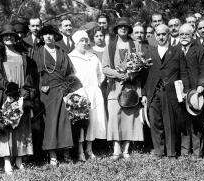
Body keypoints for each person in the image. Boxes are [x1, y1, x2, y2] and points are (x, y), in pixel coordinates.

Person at [0, 24, 36, 174]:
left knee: (21, 125)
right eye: (6, 36)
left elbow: (29, 76)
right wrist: (8, 88)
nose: (9, 38)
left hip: (21, 95)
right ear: (2, 39)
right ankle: (6, 162)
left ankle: (19, 160)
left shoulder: (23, 55)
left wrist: (26, 90)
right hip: (6, 94)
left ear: (16, 38)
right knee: (6, 124)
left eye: (11, 35)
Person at [33, 25, 79, 165]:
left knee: (64, 122)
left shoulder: (62, 52)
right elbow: (35, 74)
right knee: (50, 123)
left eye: (51, 34)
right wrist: (42, 85)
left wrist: (68, 90)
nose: (48, 36)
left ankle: (65, 154)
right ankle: (53, 156)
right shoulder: (38, 52)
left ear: (55, 37)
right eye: (45, 34)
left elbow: (70, 72)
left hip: (63, 90)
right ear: (42, 37)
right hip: (47, 92)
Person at [142, 24, 189, 158]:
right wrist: (144, 94)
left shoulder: (177, 51)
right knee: (155, 121)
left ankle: (171, 152)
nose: (161, 37)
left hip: (170, 92)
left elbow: (184, 73)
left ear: (168, 35)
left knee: (170, 123)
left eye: (164, 34)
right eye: (159, 34)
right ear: (155, 36)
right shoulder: (149, 52)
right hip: (154, 92)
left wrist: (185, 90)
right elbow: (144, 76)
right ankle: (158, 151)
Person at [102, 17, 144, 160]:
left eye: (126, 27)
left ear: (129, 29)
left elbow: (141, 66)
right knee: (114, 117)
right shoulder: (110, 46)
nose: (123, 29)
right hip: (115, 86)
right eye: (120, 27)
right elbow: (105, 68)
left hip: (131, 86)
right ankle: (116, 149)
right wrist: (119, 75)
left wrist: (130, 75)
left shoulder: (136, 45)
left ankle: (126, 149)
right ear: (116, 29)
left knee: (129, 116)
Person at [69, 30, 107, 161]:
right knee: (81, 122)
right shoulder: (71, 58)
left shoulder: (93, 57)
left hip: (94, 93)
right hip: (78, 95)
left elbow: (100, 74)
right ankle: (79, 151)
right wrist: (77, 92)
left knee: (93, 122)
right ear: (76, 43)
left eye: (86, 40)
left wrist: (95, 87)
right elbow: (70, 77)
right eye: (81, 41)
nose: (84, 43)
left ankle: (89, 149)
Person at [177, 23, 204, 158]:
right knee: (183, 123)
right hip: (181, 91)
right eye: (181, 34)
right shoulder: (175, 50)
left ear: (192, 35)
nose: (184, 36)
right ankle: (185, 152)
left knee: (196, 122)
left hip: (196, 91)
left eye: (187, 34)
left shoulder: (200, 50)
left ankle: (197, 152)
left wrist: (201, 85)